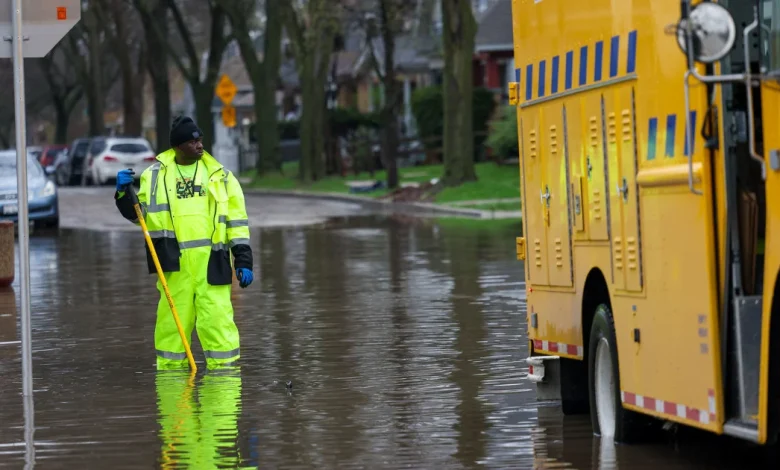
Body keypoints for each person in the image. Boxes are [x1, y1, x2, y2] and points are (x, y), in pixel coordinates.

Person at [114, 115, 253, 370]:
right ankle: (173, 391)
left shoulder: (220, 175)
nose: (199, 145)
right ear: (177, 146)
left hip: (213, 265)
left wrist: (243, 259)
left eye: (200, 140)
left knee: (219, 324)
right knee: (171, 330)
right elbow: (140, 216)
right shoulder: (154, 176)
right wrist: (123, 195)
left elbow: (237, 221)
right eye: (192, 142)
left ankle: (225, 387)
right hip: (174, 267)